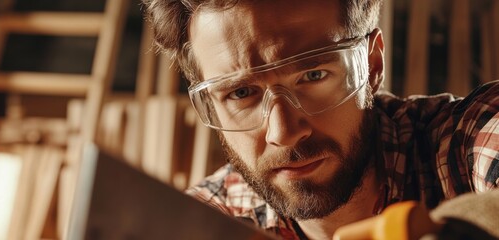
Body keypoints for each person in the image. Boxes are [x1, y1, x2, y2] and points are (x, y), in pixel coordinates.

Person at [141, 0, 499, 239]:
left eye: (312, 75)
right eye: (240, 93)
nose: (284, 132)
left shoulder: (465, 142)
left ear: (372, 66)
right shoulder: (207, 221)